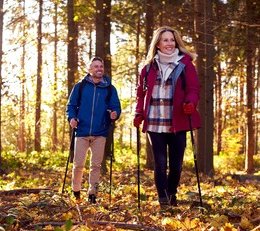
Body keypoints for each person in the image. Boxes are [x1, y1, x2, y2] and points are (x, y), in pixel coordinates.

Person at [133, 26, 202, 209]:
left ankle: (172, 194)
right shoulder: (147, 68)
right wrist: (138, 112)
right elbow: (141, 94)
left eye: (172, 40)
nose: (169, 43)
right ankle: (164, 201)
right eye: (165, 40)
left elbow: (194, 90)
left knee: (177, 165)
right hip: (155, 121)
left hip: (177, 121)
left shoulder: (185, 64)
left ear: (176, 42)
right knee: (160, 163)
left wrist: (190, 102)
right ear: (158, 44)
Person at [66, 56, 121, 204]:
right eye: (95, 67)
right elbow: (71, 106)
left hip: (100, 132)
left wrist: (114, 114)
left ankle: (92, 195)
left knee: (95, 166)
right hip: (82, 131)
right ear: (89, 70)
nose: (99, 69)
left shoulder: (110, 88)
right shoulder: (80, 86)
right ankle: (76, 192)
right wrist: (71, 118)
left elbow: (115, 107)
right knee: (78, 164)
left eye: (101, 66)